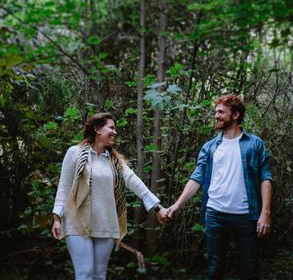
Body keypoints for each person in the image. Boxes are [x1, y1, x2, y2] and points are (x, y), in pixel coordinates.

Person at [166, 94, 273, 280]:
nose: (216, 115)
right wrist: (177, 205)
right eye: (216, 112)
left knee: (250, 268)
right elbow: (196, 178)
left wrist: (265, 213)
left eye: (221, 112)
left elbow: (265, 178)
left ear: (235, 115)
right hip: (215, 214)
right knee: (215, 267)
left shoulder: (254, 144)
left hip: (247, 217)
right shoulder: (210, 147)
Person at [52, 112, 169, 280]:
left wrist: (157, 207)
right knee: (84, 274)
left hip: (105, 223)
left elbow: (135, 183)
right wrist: (57, 216)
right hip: (77, 222)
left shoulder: (115, 161)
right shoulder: (75, 153)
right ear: (98, 129)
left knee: (99, 275)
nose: (115, 132)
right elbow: (64, 186)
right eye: (111, 128)